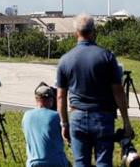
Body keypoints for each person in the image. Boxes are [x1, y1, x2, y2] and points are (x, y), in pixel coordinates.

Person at [56, 13, 134, 167]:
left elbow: (60, 96)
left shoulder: (65, 59)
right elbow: (118, 92)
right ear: (93, 31)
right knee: (103, 162)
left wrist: (64, 123)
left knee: (80, 163)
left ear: (75, 33)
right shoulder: (107, 57)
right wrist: (126, 121)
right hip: (102, 117)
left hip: (77, 116)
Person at [22, 82, 68, 167]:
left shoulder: (26, 115)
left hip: (32, 163)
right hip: (56, 163)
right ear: (51, 100)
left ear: (36, 99)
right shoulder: (56, 116)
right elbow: (67, 137)